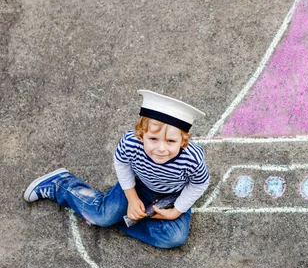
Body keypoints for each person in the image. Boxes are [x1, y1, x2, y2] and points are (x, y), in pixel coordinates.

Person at [23, 90, 210, 248]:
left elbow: (200, 183)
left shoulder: (191, 158)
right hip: (137, 186)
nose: (161, 148)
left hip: (172, 196)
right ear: (141, 134)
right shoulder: (131, 142)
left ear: (183, 141)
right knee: (101, 217)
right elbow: (121, 162)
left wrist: (176, 211)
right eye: (153, 139)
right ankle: (60, 184)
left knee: (174, 238)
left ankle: (116, 216)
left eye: (171, 141)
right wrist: (132, 197)